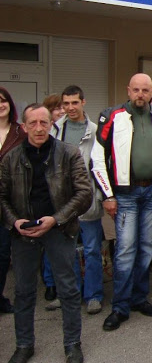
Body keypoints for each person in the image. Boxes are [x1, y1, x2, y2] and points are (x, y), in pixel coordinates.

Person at [0, 104, 92, 363]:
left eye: (44, 123)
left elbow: (84, 194)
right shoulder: (11, 158)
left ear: (51, 125)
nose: (39, 128)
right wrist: (14, 221)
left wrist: (56, 219)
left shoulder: (69, 154)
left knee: (68, 289)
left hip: (59, 229)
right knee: (24, 290)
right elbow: (2, 197)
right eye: (33, 123)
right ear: (25, 126)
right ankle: (24, 344)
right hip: (24, 233)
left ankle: (73, 344)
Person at [91, 73, 152, 331]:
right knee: (126, 250)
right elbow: (97, 158)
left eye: (145, 90)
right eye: (136, 89)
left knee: (148, 247)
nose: (140, 94)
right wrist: (108, 195)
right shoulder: (112, 116)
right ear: (128, 90)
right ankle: (120, 306)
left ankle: (139, 298)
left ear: (151, 93)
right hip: (125, 194)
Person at [51, 85, 105, 315]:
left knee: (92, 249)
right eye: (66, 103)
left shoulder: (95, 131)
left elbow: (102, 164)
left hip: (88, 198)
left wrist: (102, 195)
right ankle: (69, 294)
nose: (70, 107)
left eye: (75, 102)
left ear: (83, 102)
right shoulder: (55, 130)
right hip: (62, 200)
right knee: (67, 250)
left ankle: (93, 296)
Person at [0, 88, 26, 316]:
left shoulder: (20, 132)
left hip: (11, 200)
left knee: (2, 253)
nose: (0, 105)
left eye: (3, 101)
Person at [41, 93, 65, 302]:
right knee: (50, 241)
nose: (62, 111)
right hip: (49, 193)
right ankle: (50, 283)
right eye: (57, 108)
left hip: (70, 196)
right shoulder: (46, 132)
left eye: (63, 107)